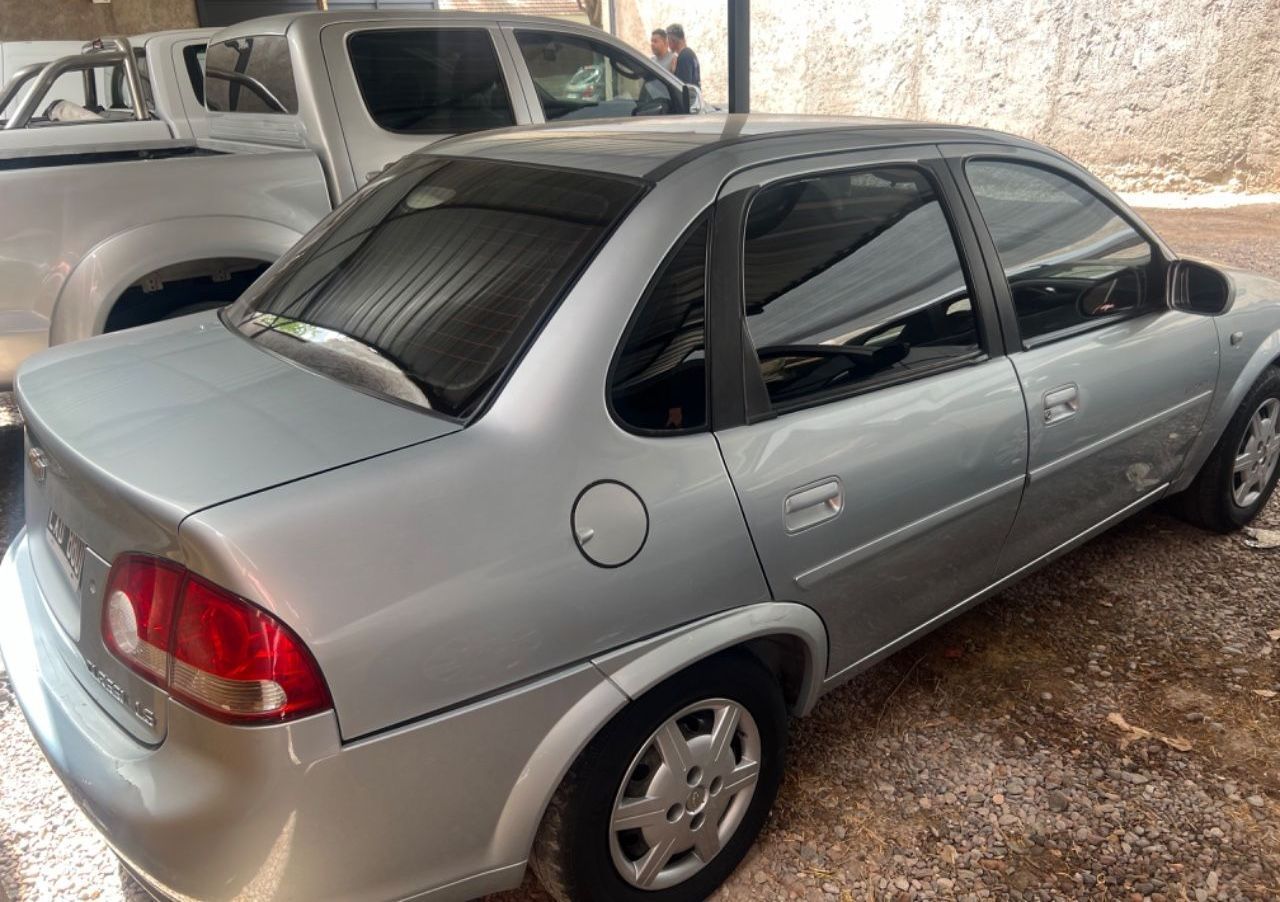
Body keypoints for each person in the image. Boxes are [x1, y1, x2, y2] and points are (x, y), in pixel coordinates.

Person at [666, 23, 700, 87]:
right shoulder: (689, 53)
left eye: (668, 40)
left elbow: (683, 87)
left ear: (673, 40)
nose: (667, 44)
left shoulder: (684, 57)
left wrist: (672, 74)